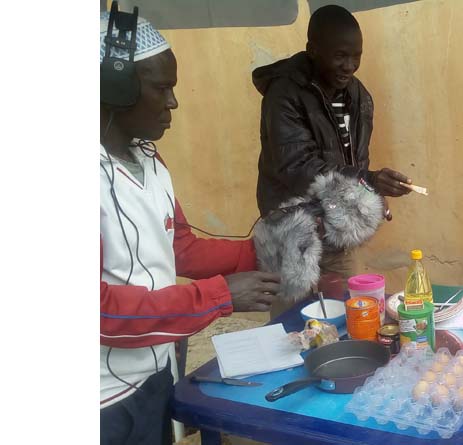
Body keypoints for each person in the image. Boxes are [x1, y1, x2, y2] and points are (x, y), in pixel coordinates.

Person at [100, 8, 280, 444]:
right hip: (103, 401)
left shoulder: (149, 161)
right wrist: (218, 296)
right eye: (162, 88)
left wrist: (274, 246)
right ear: (115, 88)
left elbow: (180, 247)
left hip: (159, 371)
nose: (173, 102)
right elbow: (100, 311)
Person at [252, 5, 412, 315]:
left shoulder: (359, 95)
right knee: (290, 325)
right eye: (340, 56)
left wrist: (370, 193)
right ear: (312, 50)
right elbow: (297, 166)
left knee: (352, 314)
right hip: (290, 230)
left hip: (336, 227)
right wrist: (367, 181)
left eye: (356, 57)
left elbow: (357, 160)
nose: (349, 66)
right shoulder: (283, 94)